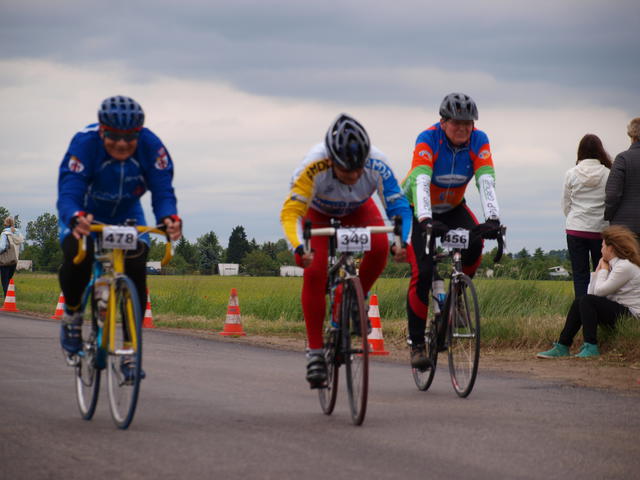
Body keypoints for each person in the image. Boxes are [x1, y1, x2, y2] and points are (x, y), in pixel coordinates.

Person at [280, 113, 412, 388]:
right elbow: (291, 212)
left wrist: (401, 242)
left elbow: (398, 207)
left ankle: (353, 297)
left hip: (357, 209)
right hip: (317, 212)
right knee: (314, 271)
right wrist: (299, 247)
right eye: (345, 170)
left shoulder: (378, 162)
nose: (352, 176)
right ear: (331, 160)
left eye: (357, 170)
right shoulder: (313, 165)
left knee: (379, 247)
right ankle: (315, 351)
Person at [57, 95, 182, 377]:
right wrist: (75, 216)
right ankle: (73, 316)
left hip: (127, 213)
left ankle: (129, 350)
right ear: (102, 131)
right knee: (78, 255)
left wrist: (169, 218)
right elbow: (69, 190)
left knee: (136, 265)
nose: (122, 144)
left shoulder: (153, 147)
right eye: (114, 136)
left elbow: (163, 191)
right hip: (85, 212)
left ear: (140, 133)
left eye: (130, 137)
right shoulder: (84, 144)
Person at [402, 92, 502, 369]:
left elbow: (486, 178)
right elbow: (421, 181)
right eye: (457, 123)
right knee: (423, 272)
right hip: (416, 207)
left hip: (453, 206)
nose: (463, 128)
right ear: (443, 122)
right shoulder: (428, 138)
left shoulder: (479, 140)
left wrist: (493, 218)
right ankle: (417, 344)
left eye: (468, 123)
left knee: (476, 243)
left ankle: (455, 298)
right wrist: (425, 218)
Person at [537, 225, 640, 359]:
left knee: (587, 300)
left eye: (602, 246)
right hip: (621, 311)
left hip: (632, 317)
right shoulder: (615, 265)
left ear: (610, 248)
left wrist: (603, 270)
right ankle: (563, 345)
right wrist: (598, 270)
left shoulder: (624, 266)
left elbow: (598, 293)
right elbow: (591, 293)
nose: (601, 250)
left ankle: (591, 346)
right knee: (580, 300)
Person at [562, 134, 611, 298]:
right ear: (600, 151)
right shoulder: (608, 174)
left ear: (580, 151)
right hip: (600, 231)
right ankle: (598, 308)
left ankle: (582, 309)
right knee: (601, 272)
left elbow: (566, 203)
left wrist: (574, 218)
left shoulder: (571, 174)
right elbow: (611, 202)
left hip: (576, 229)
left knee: (580, 275)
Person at [605, 117, 640, 239]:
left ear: (632, 136)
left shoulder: (623, 159)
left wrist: (608, 215)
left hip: (625, 227)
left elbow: (612, 194)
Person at [0, 217, 25, 297]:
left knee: (5, 280)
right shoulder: (18, 234)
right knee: (9, 279)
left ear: (5, 223)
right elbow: (22, 248)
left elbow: (2, 247)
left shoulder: (4, 233)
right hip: (14, 260)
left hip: (5, 261)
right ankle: (10, 298)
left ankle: (7, 298)